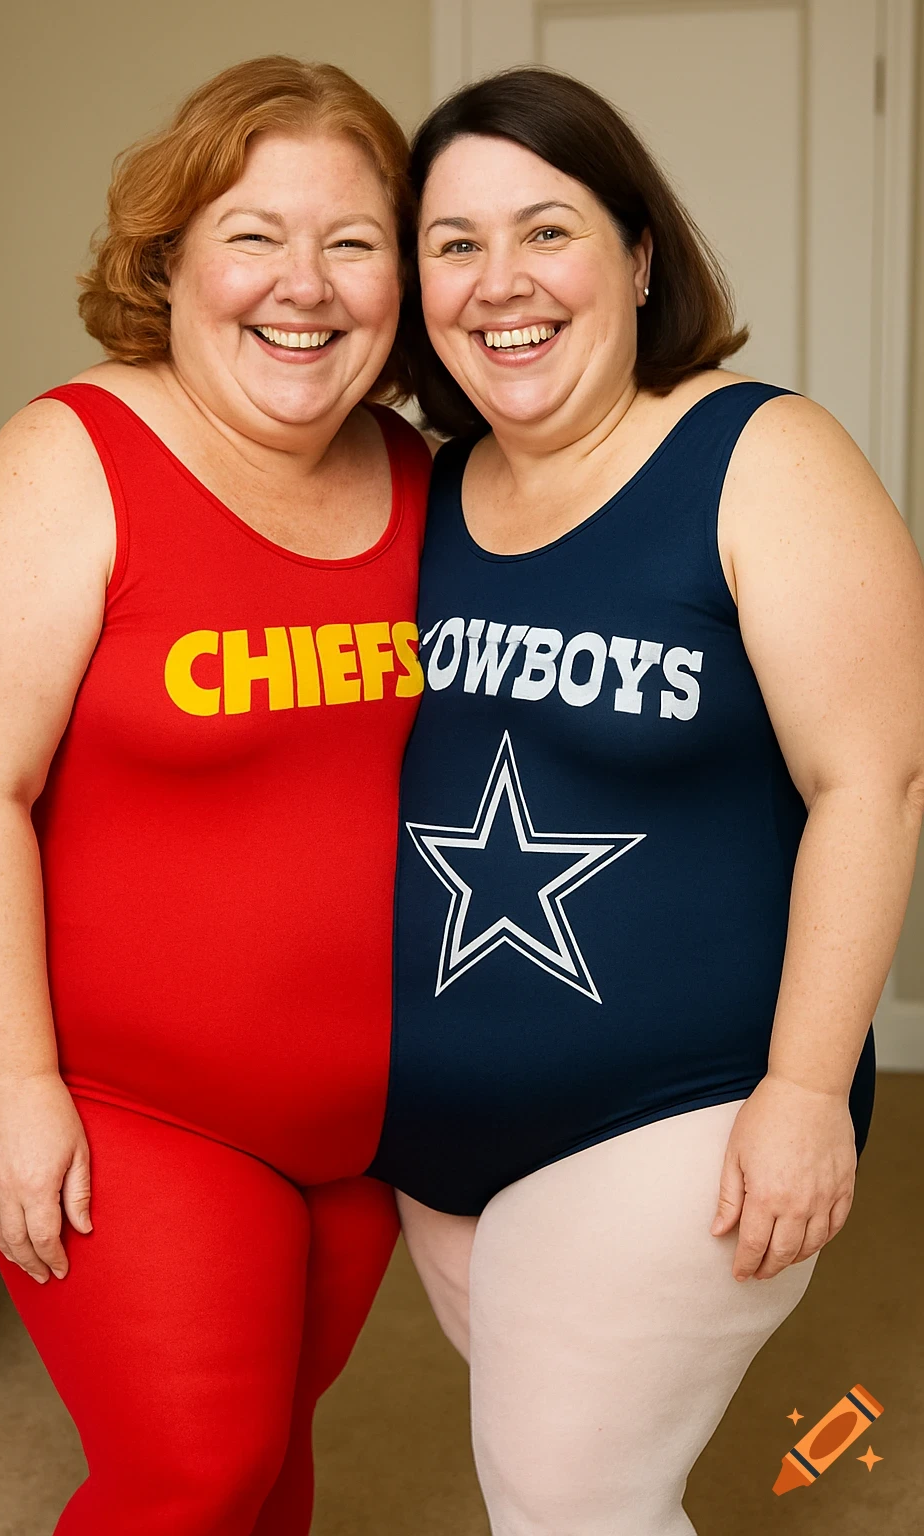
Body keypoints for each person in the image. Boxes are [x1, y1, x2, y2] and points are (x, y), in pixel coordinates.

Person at [368, 68, 924, 1534]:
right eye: (454, 243)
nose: (501, 282)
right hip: (439, 1140)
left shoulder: (760, 458)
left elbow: (874, 782)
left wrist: (805, 1093)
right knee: (586, 1496)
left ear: (640, 254)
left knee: (566, 1499)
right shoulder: (419, 494)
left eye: (547, 230)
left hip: (687, 1108)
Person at [0, 56, 431, 1536]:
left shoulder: (422, 475)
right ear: (171, 260)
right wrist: (15, 1089)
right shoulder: (71, 460)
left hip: (366, 1132)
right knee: (189, 1478)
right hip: (133, 1106)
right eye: (254, 235)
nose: (304, 284)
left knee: (266, 1474)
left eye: (353, 241)